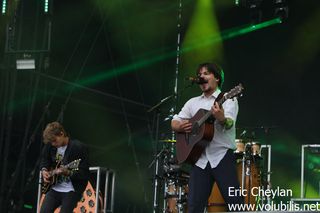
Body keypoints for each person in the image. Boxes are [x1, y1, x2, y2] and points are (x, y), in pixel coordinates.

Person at [171, 62, 243, 212]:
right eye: (200, 75)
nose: (201, 77)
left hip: (222, 157)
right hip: (200, 160)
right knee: (194, 207)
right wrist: (179, 126)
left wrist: (221, 118)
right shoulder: (192, 103)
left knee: (236, 204)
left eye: (206, 74)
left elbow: (229, 123)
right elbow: (175, 121)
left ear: (216, 78)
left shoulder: (229, 99)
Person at [39, 121, 90, 213]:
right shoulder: (50, 146)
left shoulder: (78, 148)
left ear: (61, 134)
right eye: (51, 142)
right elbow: (44, 159)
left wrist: (68, 172)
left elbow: (84, 173)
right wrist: (44, 170)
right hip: (54, 188)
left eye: (54, 140)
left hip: (71, 190)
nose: (53, 144)